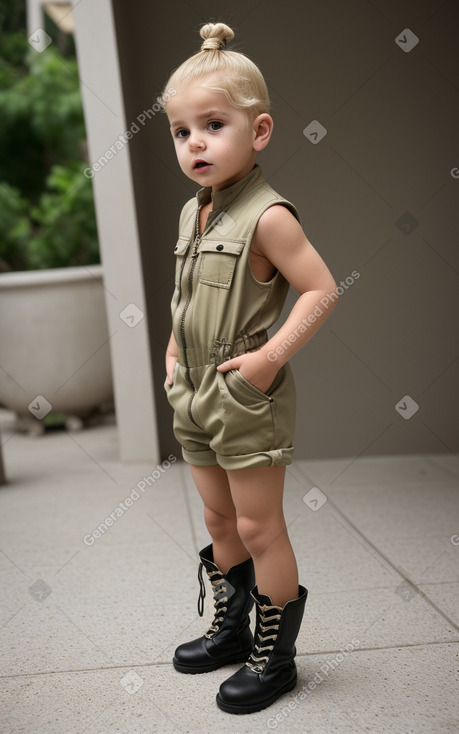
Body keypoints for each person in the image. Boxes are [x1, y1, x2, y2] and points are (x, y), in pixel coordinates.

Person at [160, 21, 339, 715]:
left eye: (213, 124)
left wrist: (266, 361)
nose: (195, 142)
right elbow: (182, 298)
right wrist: (174, 354)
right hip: (194, 389)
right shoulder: (192, 214)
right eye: (180, 131)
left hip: (243, 392)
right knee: (217, 516)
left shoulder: (269, 217)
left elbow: (321, 289)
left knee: (261, 526)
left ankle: (275, 656)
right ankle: (231, 628)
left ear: (258, 131)